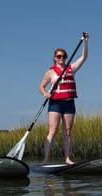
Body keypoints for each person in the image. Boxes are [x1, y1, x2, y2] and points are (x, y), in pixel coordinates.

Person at [39, 33, 89, 165]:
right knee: (53, 131)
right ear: (55, 58)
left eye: (63, 56)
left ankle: (67, 158)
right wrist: (45, 93)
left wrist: (85, 42)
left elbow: (84, 57)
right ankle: (46, 159)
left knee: (67, 132)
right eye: (59, 56)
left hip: (69, 104)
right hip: (55, 104)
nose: (61, 58)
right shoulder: (50, 72)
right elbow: (42, 86)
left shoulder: (71, 69)